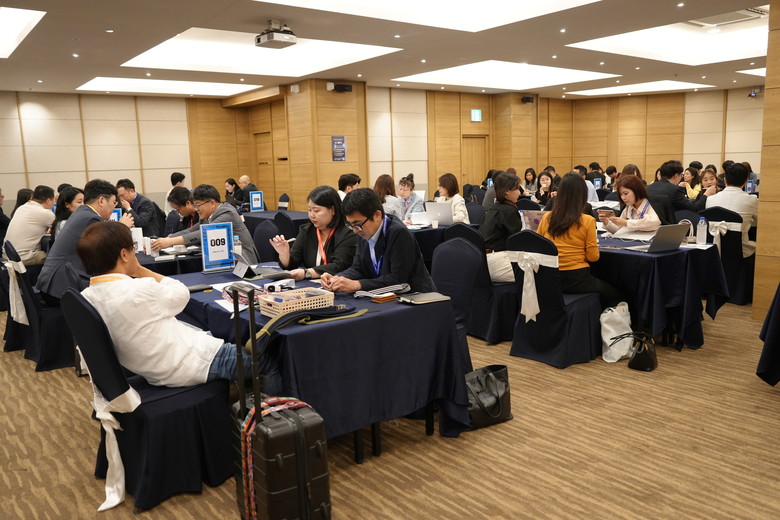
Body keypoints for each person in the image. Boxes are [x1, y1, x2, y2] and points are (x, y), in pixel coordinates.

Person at [78, 221, 279, 392]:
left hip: (153, 365)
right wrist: (139, 270)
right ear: (124, 255)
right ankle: (275, 418)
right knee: (271, 361)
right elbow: (181, 293)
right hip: (186, 364)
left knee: (218, 334)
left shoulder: (87, 296)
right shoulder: (138, 289)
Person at [36, 179, 134, 303]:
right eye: (114, 202)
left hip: (54, 284)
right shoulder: (90, 218)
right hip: (61, 288)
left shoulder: (82, 213)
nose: (114, 207)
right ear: (102, 200)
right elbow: (109, 247)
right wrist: (123, 227)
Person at [320, 188, 434, 294]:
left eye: (357, 224)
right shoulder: (362, 230)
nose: (355, 231)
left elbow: (398, 280)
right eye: (350, 225)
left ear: (377, 215)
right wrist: (337, 278)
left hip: (415, 297)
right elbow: (358, 268)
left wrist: (358, 285)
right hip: (380, 295)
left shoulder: (399, 233)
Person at [536, 173, 622, 309]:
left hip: (550, 278)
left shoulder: (547, 218)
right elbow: (593, 257)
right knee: (615, 294)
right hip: (576, 279)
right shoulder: (587, 220)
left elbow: (538, 248)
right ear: (582, 195)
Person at [152, 184, 259, 264]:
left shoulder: (227, 213)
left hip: (243, 262)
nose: (196, 209)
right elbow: (191, 230)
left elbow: (204, 233)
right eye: (194, 205)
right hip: (224, 260)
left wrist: (170, 242)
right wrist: (167, 238)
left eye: (198, 205)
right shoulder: (208, 216)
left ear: (212, 203)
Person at [270, 185, 357, 281]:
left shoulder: (348, 233)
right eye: (309, 210)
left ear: (333, 210)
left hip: (336, 284)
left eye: (316, 210)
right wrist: (284, 253)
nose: (311, 215)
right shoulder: (307, 231)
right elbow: (291, 265)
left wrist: (307, 273)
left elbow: (339, 266)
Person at [705, 162, 758, 258]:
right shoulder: (752, 200)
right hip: (741, 251)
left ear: (725, 180)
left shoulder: (710, 199)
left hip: (714, 251)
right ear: (746, 181)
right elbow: (760, 222)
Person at [479, 172, 523, 283]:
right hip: (497, 262)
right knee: (534, 274)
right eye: (517, 189)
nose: (519, 192)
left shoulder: (494, 208)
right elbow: (517, 241)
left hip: (482, 261)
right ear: (507, 191)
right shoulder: (509, 211)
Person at [3, 185, 55, 265]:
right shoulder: (45, 213)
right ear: (48, 201)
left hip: (7, 255)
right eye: (53, 199)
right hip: (23, 258)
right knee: (56, 257)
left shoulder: (21, 208)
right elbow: (61, 228)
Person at [646, 160, 714, 212]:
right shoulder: (675, 190)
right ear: (676, 176)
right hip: (671, 225)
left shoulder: (648, 188)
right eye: (681, 175)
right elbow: (694, 209)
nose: (682, 177)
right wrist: (706, 194)